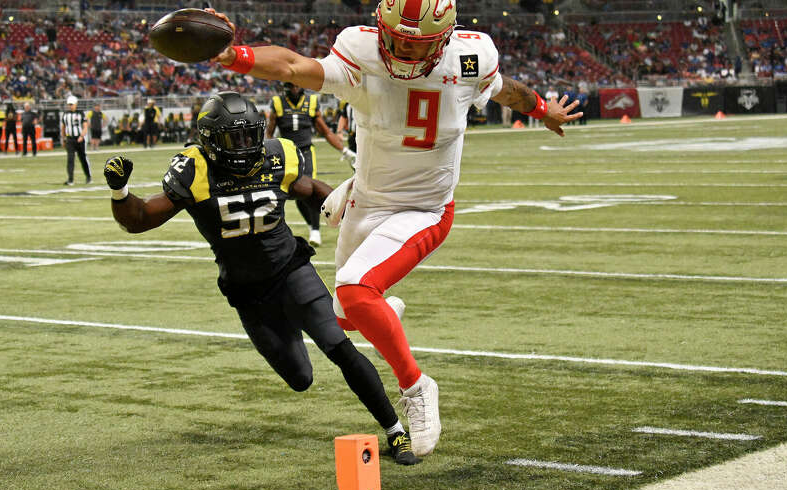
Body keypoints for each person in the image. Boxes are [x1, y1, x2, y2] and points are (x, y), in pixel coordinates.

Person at [208, 1, 581, 456]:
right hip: (366, 200)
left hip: (424, 209)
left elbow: (504, 91)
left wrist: (543, 109)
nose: (403, 49)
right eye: (397, 36)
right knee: (345, 315)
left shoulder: (470, 57)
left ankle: (417, 387)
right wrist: (234, 55)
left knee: (354, 290)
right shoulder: (361, 51)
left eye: (415, 42)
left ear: (443, 39)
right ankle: (385, 313)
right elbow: (293, 65)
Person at [103, 91, 419, 466]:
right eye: (234, 138)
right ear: (209, 140)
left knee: (339, 347)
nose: (245, 145)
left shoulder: (275, 155)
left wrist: (347, 203)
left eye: (250, 135)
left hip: (291, 270)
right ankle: (336, 319)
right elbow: (140, 218)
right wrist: (120, 191)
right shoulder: (196, 169)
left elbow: (311, 188)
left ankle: (396, 431)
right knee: (300, 378)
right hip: (248, 293)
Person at [266, 82, 356, 247]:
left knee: (308, 188)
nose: (294, 89)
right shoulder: (278, 103)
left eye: (296, 86)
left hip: (306, 152)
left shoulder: (311, 102)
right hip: (286, 154)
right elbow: (269, 132)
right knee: (296, 193)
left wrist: (344, 150)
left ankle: (315, 229)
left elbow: (325, 131)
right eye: (291, 86)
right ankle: (311, 226)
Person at [61, 94, 91, 185]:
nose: (70, 106)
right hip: (70, 139)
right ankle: (70, 179)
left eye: (72, 104)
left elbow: (85, 126)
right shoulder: (65, 114)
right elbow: (63, 127)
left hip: (79, 139)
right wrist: (64, 138)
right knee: (70, 159)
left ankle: (88, 176)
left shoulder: (81, 113)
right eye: (69, 104)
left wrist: (82, 136)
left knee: (83, 158)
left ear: (76, 104)